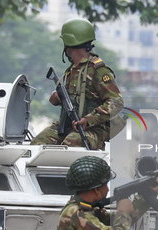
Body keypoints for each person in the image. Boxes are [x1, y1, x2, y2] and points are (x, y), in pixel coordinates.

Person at [30, 18, 123, 150]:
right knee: (37, 145)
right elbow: (76, 100)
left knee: (71, 145)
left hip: (94, 129)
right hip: (68, 125)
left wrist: (89, 119)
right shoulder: (73, 70)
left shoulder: (98, 70)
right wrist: (58, 97)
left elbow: (116, 102)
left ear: (68, 43)